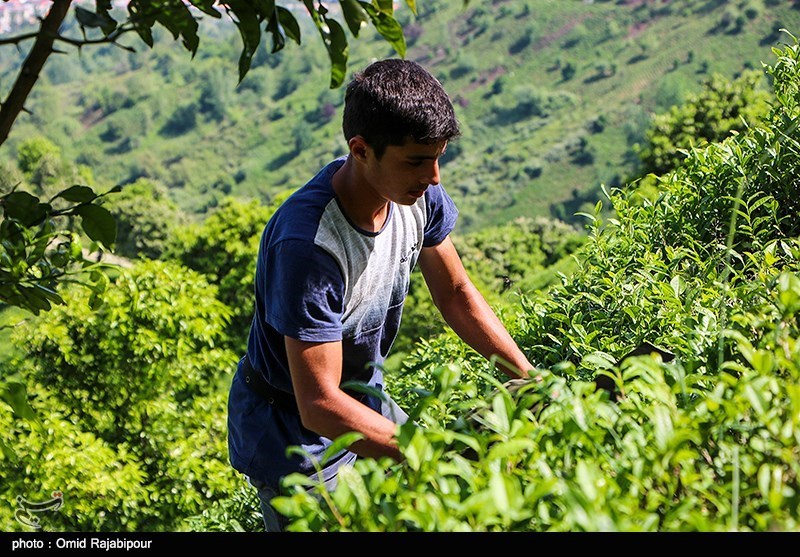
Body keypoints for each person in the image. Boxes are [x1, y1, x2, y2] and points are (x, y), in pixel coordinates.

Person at [226, 58, 535, 532]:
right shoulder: (310, 247)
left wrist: (528, 378)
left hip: (362, 394)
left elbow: (454, 292)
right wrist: (425, 452)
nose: (433, 177)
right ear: (361, 149)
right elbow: (320, 404)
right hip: (291, 431)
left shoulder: (416, 196)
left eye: (439, 157)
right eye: (415, 161)